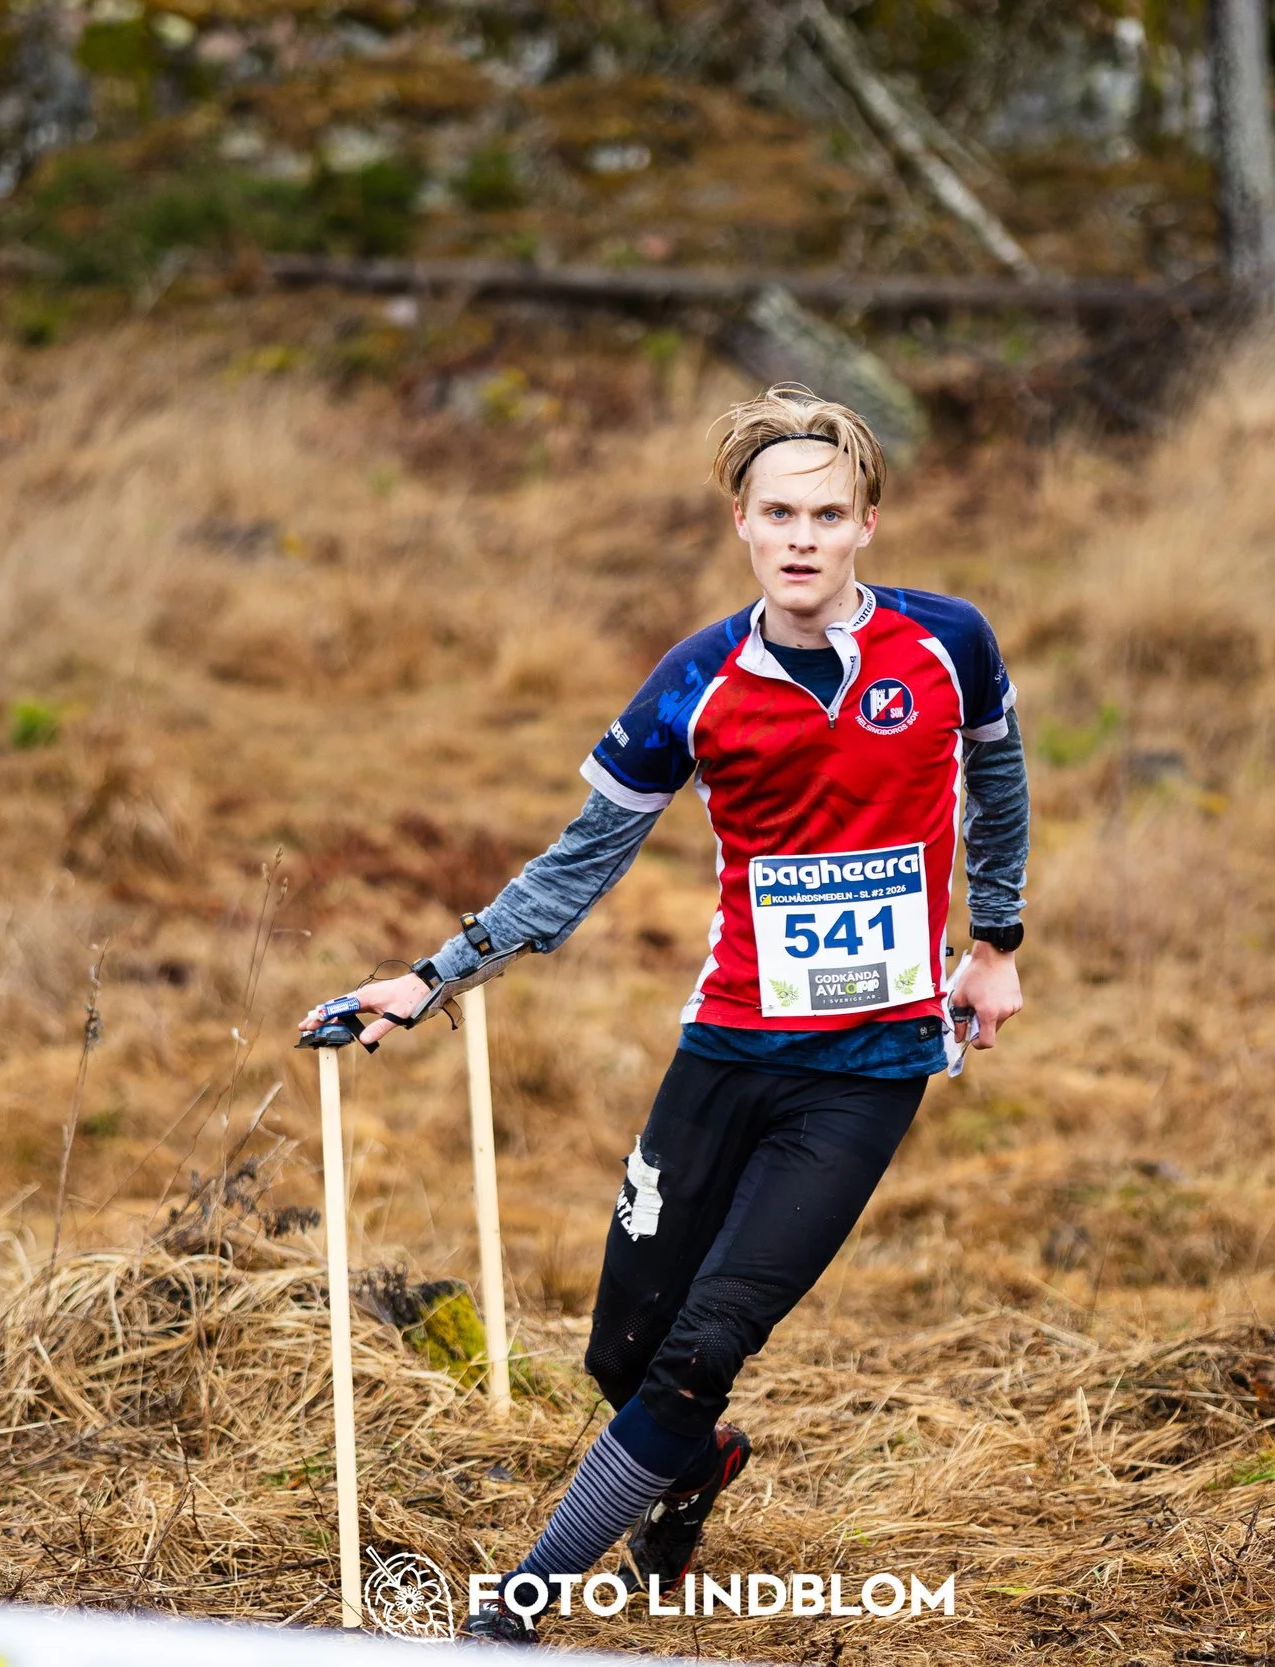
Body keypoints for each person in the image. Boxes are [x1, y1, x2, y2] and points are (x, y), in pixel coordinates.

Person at [300, 383, 1030, 1646]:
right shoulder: (696, 681)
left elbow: (999, 781)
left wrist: (997, 943)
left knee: (704, 1343)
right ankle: (693, 1464)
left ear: (866, 525)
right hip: (727, 1046)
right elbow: (582, 859)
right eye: (778, 513)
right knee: (623, 1360)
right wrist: (432, 975)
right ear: (742, 523)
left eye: (828, 513)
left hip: (869, 1067)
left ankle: (515, 1607)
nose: (802, 537)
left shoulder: (949, 643)